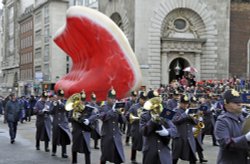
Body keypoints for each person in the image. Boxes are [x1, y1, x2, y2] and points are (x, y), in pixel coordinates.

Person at [214, 89, 250, 164]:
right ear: (226, 104)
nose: (239, 104)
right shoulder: (222, 121)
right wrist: (246, 138)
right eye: (235, 102)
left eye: (240, 102)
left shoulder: (242, 118)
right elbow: (226, 144)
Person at [140, 96, 178, 164]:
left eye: (157, 107)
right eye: (155, 107)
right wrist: (151, 121)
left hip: (163, 151)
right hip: (150, 151)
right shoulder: (144, 116)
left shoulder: (165, 114)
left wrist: (167, 132)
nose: (156, 109)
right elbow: (143, 132)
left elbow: (174, 130)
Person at [99, 88, 126, 164]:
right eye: (111, 98)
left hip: (116, 136)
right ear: (107, 98)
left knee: (118, 157)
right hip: (107, 136)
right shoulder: (103, 107)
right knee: (104, 156)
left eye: (114, 98)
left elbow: (124, 121)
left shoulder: (117, 107)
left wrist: (120, 114)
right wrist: (112, 111)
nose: (113, 100)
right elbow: (103, 118)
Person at [70, 93, 99, 164]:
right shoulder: (74, 108)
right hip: (77, 130)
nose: (82, 102)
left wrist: (88, 120)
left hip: (86, 131)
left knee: (87, 149)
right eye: (81, 100)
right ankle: (74, 161)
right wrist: (75, 117)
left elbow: (94, 116)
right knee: (75, 147)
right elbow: (69, 118)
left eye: (83, 100)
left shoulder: (88, 108)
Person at [172, 94, 198, 164]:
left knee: (192, 158)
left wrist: (193, 118)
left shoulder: (191, 111)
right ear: (180, 103)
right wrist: (185, 115)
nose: (185, 105)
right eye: (183, 103)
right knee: (175, 158)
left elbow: (196, 122)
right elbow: (174, 120)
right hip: (179, 137)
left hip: (189, 137)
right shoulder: (175, 110)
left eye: (187, 103)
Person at [50, 89, 72, 158]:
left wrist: (60, 103)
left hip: (63, 122)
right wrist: (54, 104)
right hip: (56, 122)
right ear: (57, 96)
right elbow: (51, 112)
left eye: (62, 96)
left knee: (64, 137)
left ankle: (64, 152)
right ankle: (54, 151)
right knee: (55, 137)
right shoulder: (54, 102)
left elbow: (66, 109)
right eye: (59, 96)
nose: (61, 97)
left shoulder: (65, 102)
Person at [128, 91, 147, 163]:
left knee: (145, 145)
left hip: (144, 128)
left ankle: (145, 160)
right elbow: (128, 116)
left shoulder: (147, 107)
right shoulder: (134, 107)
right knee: (135, 144)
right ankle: (133, 159)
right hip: (136, 128)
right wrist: (134, 117)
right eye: (143, 99)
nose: (144, 101)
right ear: (139, 99)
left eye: (145, 99)